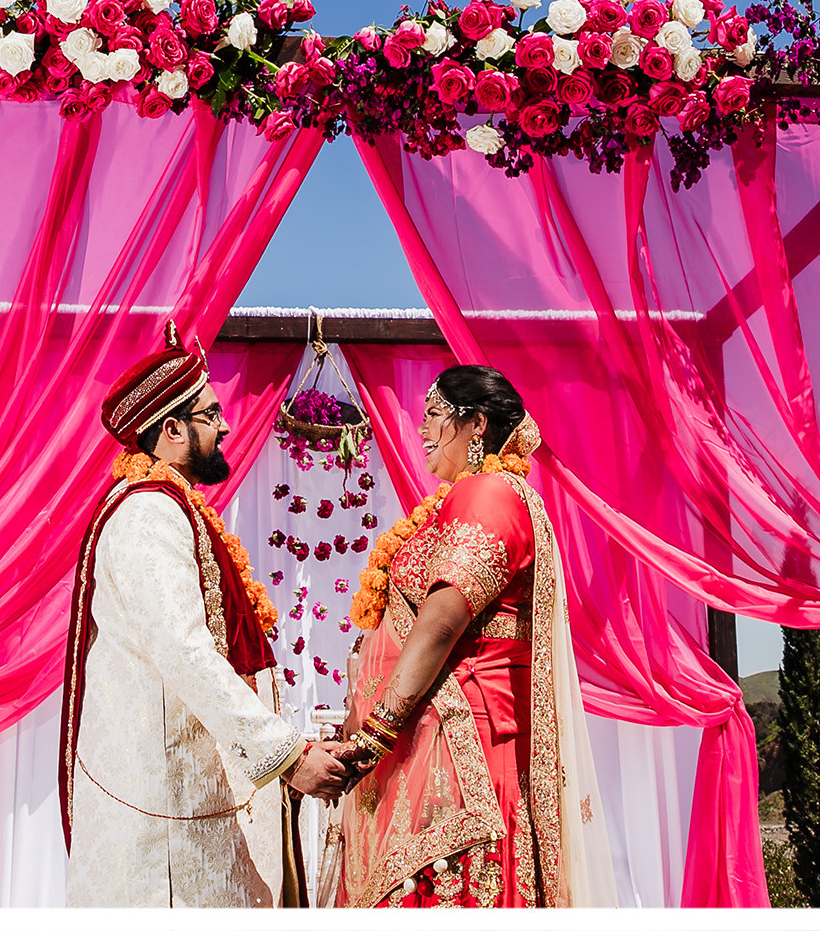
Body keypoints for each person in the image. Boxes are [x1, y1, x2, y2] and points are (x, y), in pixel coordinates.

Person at [59, 329, 355, 907]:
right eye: (211, 414)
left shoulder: (173, 507)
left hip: (186, 799)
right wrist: (288, 757)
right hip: (167, 814)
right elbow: (184, 649)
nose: (224, 426)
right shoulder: (147, 514)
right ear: (172, 429)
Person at [333, 366, 615, 908]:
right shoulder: (468, 497)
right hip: (435, 745)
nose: (422, 432)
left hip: (462, 758)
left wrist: (376, 732)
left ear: (476, 425)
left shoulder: (488, 492)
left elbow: (443, 620)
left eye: (435, 416)